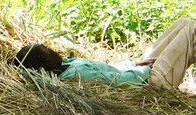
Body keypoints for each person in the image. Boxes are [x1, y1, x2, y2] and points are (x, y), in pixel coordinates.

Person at [14, 18, 196, 89]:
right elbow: (118, 81)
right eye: (49, 50)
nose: (54, 50)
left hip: (137, 72)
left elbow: (111, 70)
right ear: (43, 58)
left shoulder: (67, 64)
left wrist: (134, 64)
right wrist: (146, 70)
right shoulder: (76, 76)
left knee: (183, 22)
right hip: (149, 83)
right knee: (193, 30)